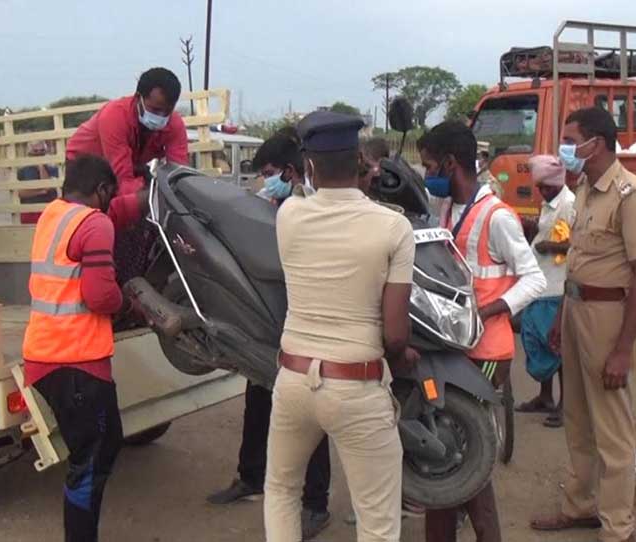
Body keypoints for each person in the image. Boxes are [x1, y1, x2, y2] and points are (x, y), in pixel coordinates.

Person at [264, 111, 416, 542]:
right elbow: (396, 334)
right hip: (356, 384)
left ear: (309, 165)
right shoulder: (394, 227)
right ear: (362, 162)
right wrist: (403, 357)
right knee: (377, 519)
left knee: (280, 489)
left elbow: (299, 197)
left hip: (293, 379)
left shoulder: (289, 216)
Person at [531, 107, 636, 542]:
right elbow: (579, 262)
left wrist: (623, 349)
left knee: (613, 428)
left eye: (570, 140)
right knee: (579, 418)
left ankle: (617, 527)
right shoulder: (584, 187)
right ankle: (580, 506)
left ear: (597, 143)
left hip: (609, 318)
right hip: (576, 311)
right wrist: (562, 318)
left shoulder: (631, 196)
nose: (564, 149)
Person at [417, 121, 546, 542]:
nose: (428, 174)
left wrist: (490, 310)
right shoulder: (449, 210)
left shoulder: (497, 216)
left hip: (487, 351)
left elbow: (534, 279)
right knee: (450, 453)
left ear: (451, 164)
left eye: (430, 166)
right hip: (458, 347)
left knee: (464, 454)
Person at [208, 131, 333, 541]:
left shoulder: (314, 207)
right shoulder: (281, 203)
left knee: (309, 412)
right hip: (271, 322)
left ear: (291, 170)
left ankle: (316, 504)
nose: (265, 183)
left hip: (306, 324)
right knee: (257, 398)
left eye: (269, 174)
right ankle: (251, 476)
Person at [22, 154, 149, 542]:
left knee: (103, 446)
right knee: (91, 460)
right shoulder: (95, 223)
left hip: (46, 354)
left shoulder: (53, 215)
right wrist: (130, 305)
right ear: (103, 190)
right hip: (74, 360)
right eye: (111, 197)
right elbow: (98, 295)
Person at [67, 67, 188, 284]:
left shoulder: (175, 125)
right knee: (98, 229)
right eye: (154, 109)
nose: (160, 117)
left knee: (147, 224)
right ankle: (103, 284)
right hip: (85, 169)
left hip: (129, 169)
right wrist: (149, 198)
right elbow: (121, 181)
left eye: (166, 112)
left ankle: (131, 285)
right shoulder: (114, 116)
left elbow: (178, 174)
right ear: (138, 97)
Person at [516, 155, 575, 428]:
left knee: (557, 345)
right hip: (542, 282)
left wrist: (550, 246)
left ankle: (566, 405)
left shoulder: (569, 204)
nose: (542, 191)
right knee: (540, 341)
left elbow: (576, 244)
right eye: (540, 187)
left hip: (556, 284)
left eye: (546, 187)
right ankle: (545, 396)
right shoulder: (550, 203)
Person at [18, 141, 59, 224]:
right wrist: (41, 191)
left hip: (48, 210)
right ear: (29, 153)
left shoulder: (52, 169)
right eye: (35, 151)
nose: (39, 154)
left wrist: (40, 166)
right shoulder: (23, 170)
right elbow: (20, 193)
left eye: (42, 151)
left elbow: (47, 186)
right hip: (30, 211)